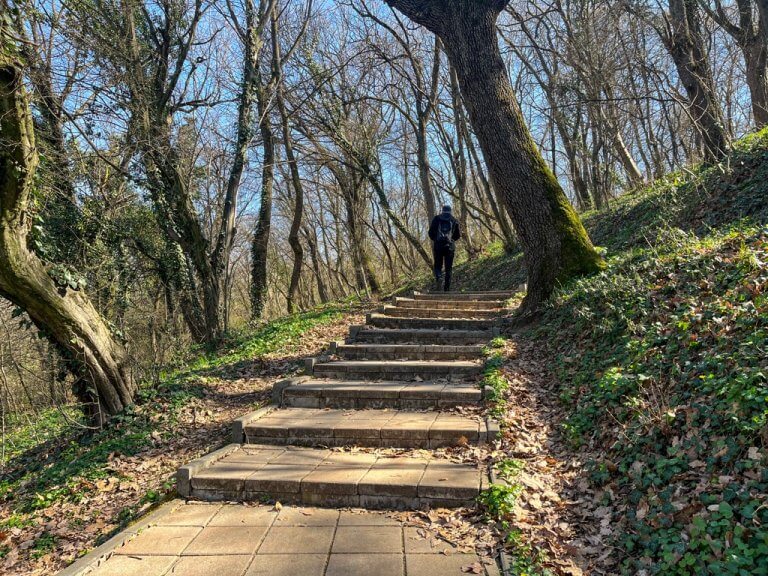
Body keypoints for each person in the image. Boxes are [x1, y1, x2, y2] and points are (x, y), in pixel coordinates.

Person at [428, 205, 461, 291]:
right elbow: (458, 235)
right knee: (448, 268)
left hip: (438, 246)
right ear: (450, 211)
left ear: (442, 210)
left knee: (438, 266)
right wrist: (451, 240)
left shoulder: (436, 218)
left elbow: (430, 233)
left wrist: (436, 240)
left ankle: (439, 277)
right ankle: (447, 289)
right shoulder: (454, 220)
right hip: (450, 246)